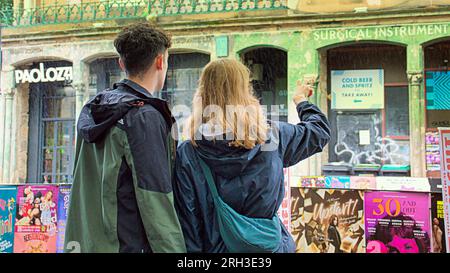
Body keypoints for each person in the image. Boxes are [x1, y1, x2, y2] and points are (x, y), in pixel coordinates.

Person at [173, 58, 331, 252]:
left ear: (203, 94)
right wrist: (302, 102)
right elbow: (319, 132)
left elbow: (189, 223)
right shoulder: (272, 139)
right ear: (245, 92)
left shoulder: (189, 152)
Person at [64, 23, 186, 253]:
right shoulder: (144, 116)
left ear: (121, 64)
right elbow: (155, 200)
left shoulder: (93, 108)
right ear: (161, 62)